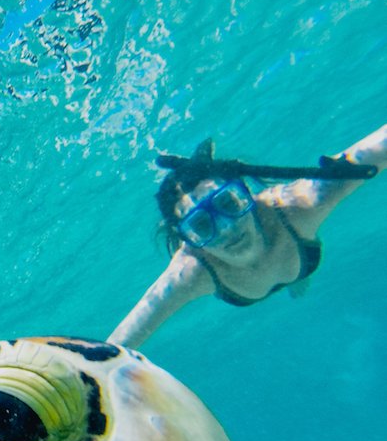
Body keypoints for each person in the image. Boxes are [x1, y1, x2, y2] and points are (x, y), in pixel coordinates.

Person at [109, 125, 387, 350]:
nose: (227, 229)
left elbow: (373, 150)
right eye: (202, 226)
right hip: (294, 259)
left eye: (229, 204)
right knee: (296, 280)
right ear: (190, 241)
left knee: (299, 279)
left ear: (248, 195)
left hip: (300, 257)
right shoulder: (193, 272)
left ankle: (297, 279)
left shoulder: (294, 208)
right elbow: (115, 348)